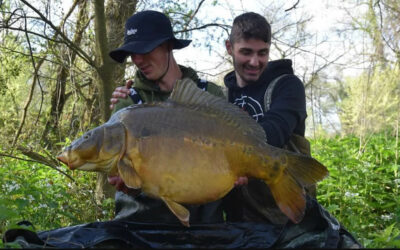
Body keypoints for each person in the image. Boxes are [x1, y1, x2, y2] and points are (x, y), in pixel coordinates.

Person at [107, 10, 225, 225]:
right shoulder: (127, 103)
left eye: (144, 49)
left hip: (205, 223)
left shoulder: (210, 95)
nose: (138, 59)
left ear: (168, 46)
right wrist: (128, 185)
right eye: (132, 53)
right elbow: (119, 173)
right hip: (143, 225)